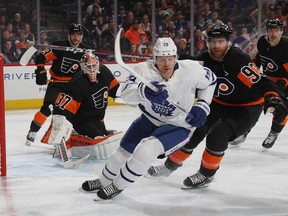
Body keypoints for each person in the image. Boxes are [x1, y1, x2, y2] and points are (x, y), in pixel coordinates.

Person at [146, 23, 287, 189]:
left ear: (228, 42)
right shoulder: (205, 59)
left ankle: (206, 175)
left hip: (245, 107)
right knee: (192, 129)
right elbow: (181, 68)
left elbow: (261, 81)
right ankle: (170, 166)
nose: (216, 46)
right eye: (212, 42)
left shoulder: (237, 59)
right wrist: (163, 64)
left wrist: (273, 97)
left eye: (220, 42)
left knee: (217, 134)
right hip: (219, 103)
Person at [80, 37, 217, 200]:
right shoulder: (142, 70)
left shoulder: (191, 69)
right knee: (123, 151)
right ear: (155, 58)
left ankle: (117, 186)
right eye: (162, 59)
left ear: (175, 57)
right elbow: (125, 94)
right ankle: (103, 181)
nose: (166, 64)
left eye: (170, 59)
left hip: (180, 124)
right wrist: (143, 92)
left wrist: (202, 104)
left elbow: (211, 80)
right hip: (150, 118)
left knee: (146, 151)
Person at [47, 52, 121, 160]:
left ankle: (96, 133)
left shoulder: (105, 72)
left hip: (99, 120)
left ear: (98, 64)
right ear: (82, 67)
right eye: (88, 67)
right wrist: (62, 129)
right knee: (98, 138)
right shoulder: (77, 83)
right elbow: (62, 110)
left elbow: (116, 90)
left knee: (106, 137)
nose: (92, 70)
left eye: (94, 66)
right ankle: (73, 137)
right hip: (82, 121)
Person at [25, 23, 86, 146]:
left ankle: (73, 133)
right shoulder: (60, 47)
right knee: (47, 108)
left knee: (77, 111)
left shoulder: (85, 51)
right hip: (56, 83)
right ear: (69, 35)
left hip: (73, 86)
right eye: (73, 34)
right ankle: (33, 131)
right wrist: (41, 71)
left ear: (82, 36)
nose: (75, 37)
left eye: (78, 34)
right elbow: (40, 58)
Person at [254, 19, 288, 150]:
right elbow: (259, 59)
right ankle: (244, 130)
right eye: (270, 30)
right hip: (268, 80)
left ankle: (273, 133)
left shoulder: (285, 47)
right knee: (252, 102)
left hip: (284, 81)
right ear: (266, 31)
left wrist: (283, 83)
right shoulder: (262, 42)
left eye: (276, 30)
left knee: (282, 108)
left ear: (281, 31)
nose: (273, 33)